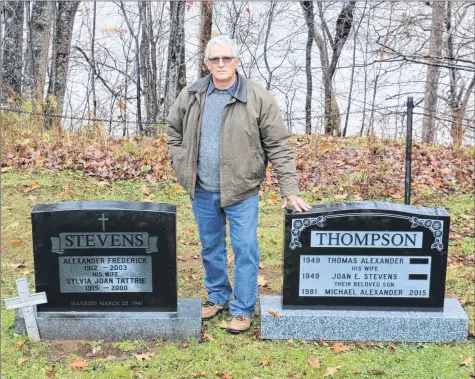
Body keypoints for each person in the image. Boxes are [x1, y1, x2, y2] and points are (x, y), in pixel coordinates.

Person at [167, 35, 309, 334]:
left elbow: (278, 146)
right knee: (211, 247)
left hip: (242, 191)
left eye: (226, 58)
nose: (221, 64)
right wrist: (180, 161)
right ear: (207, 64)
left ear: (237, 61)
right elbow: (173, 131)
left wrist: (290, 189)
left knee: (245, 249)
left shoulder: (258, 98)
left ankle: (242, 309)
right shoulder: (191, 94)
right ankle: (217, 296)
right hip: (202, 188)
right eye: (214, 59)